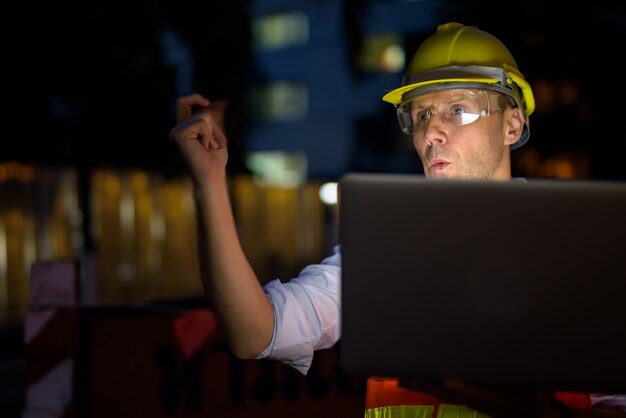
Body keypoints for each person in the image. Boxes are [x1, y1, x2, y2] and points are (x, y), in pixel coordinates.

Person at [169, 22, 626, 418]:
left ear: (512, 124)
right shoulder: (386, 252)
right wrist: (209, 183)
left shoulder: (571, 252)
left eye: (458, 110)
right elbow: (255, 333)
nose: (431, 132)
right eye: (421, 114)